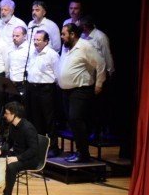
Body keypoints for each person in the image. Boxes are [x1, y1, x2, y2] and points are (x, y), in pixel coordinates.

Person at [57, 23, 105, 163]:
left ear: (72, 34)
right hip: (66, 91)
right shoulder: (66, 47)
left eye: (64, 34)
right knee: (72, 122)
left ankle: (83, 153)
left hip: (81, 90)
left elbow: (101, 63)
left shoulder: (85, 46)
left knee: (75, 119)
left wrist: (99, 83)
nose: (61, 37)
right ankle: (79, 151)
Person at [27, 30, 60, 155]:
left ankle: (53, 147)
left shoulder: (52, 54)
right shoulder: (33, 53)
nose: (35, 42)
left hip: (46, 89)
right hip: (33, 88)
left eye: (38, 40)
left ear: (46, 41)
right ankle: (40, 146)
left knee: (49, 119)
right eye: (34, 39)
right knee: (36, 119)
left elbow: (58, 74)